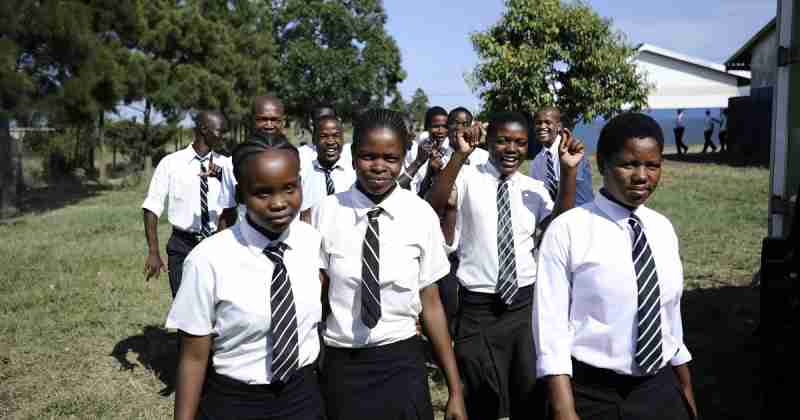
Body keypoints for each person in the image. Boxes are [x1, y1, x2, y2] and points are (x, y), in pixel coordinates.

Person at [534, 112, 698, 420]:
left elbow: (670, 317)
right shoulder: (569, 229)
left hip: (658, 388)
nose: (641, 176)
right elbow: (550, 327)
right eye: (628, 164)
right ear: (602, 165)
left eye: (652, 165)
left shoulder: (662, 229)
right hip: (595, 394)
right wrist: (563, 407)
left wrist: (685, 390)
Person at [428, 111, 586, 420]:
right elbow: (434, 205)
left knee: (528, 396)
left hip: (523, 309)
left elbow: (560, 227)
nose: (510, 149)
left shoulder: (534, 189)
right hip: (477, 309)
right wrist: (459, 157)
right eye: (502, 141)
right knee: (481, 397)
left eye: (519, 142)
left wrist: (568, 173)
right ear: (487, 141)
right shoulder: (468, 178)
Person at [312, 108, 467, 420]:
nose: (379, 166)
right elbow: (315, 298)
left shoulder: (419, 215)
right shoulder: (326, 212)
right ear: (353, 156)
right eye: (369, 156)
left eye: (391, 158)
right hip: (343, 365)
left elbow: (431, 304)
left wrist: (455, 389)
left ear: (403, 157)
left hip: (402, 362)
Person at [167, 133, 326, 420]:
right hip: (236, 401)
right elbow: (193, 357)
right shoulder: (208, 259)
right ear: (241, 195)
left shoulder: (313, 244)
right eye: (263, 192)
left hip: (303, 395)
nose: (279, 203)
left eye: (289, 188)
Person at [142, 111, 236, 297]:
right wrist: (153, 251)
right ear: (203, 129)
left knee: (216, 309)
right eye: (220, 131)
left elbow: (235, 206)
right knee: (183, 310)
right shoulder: (171, 163)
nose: (224, 137)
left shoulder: (226, 165)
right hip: (181, 246)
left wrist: (220, 176)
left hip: (217, 245)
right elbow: (151, 207)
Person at [528, 106, 594, 206]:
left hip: (581, 212)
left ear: (559, 126)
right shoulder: (537, 161)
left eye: (548, 122)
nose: (542, 126)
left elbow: (570, 187)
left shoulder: (572, 151)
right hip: (555, 216)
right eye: (538, 123)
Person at [299, 115, 356, 221]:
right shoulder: (303, 173)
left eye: (336, 136)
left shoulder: (354, 172)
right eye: (324, 136)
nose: (330, 141)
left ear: (343, 139)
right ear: (314, 140)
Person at [401, 106, 449, 195]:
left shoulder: (451, 150)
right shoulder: (414, 151)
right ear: (427, 127)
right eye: (435, 126)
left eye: (444, 126)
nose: (440, 130)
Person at [298, 104, 338, 173]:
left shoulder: (350, 154)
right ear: (311, 124)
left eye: (330, 119)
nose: (327, 124)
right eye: (321, 120)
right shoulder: (300, 156)